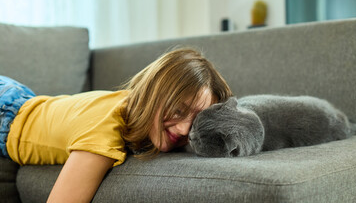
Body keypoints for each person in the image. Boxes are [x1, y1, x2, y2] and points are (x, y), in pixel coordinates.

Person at [0, 47, 232, 202]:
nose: (184, 130)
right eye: (178, 110)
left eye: (196, 121)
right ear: (152, 94)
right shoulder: (104, 135)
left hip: (21, 98)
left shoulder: (132, 106)